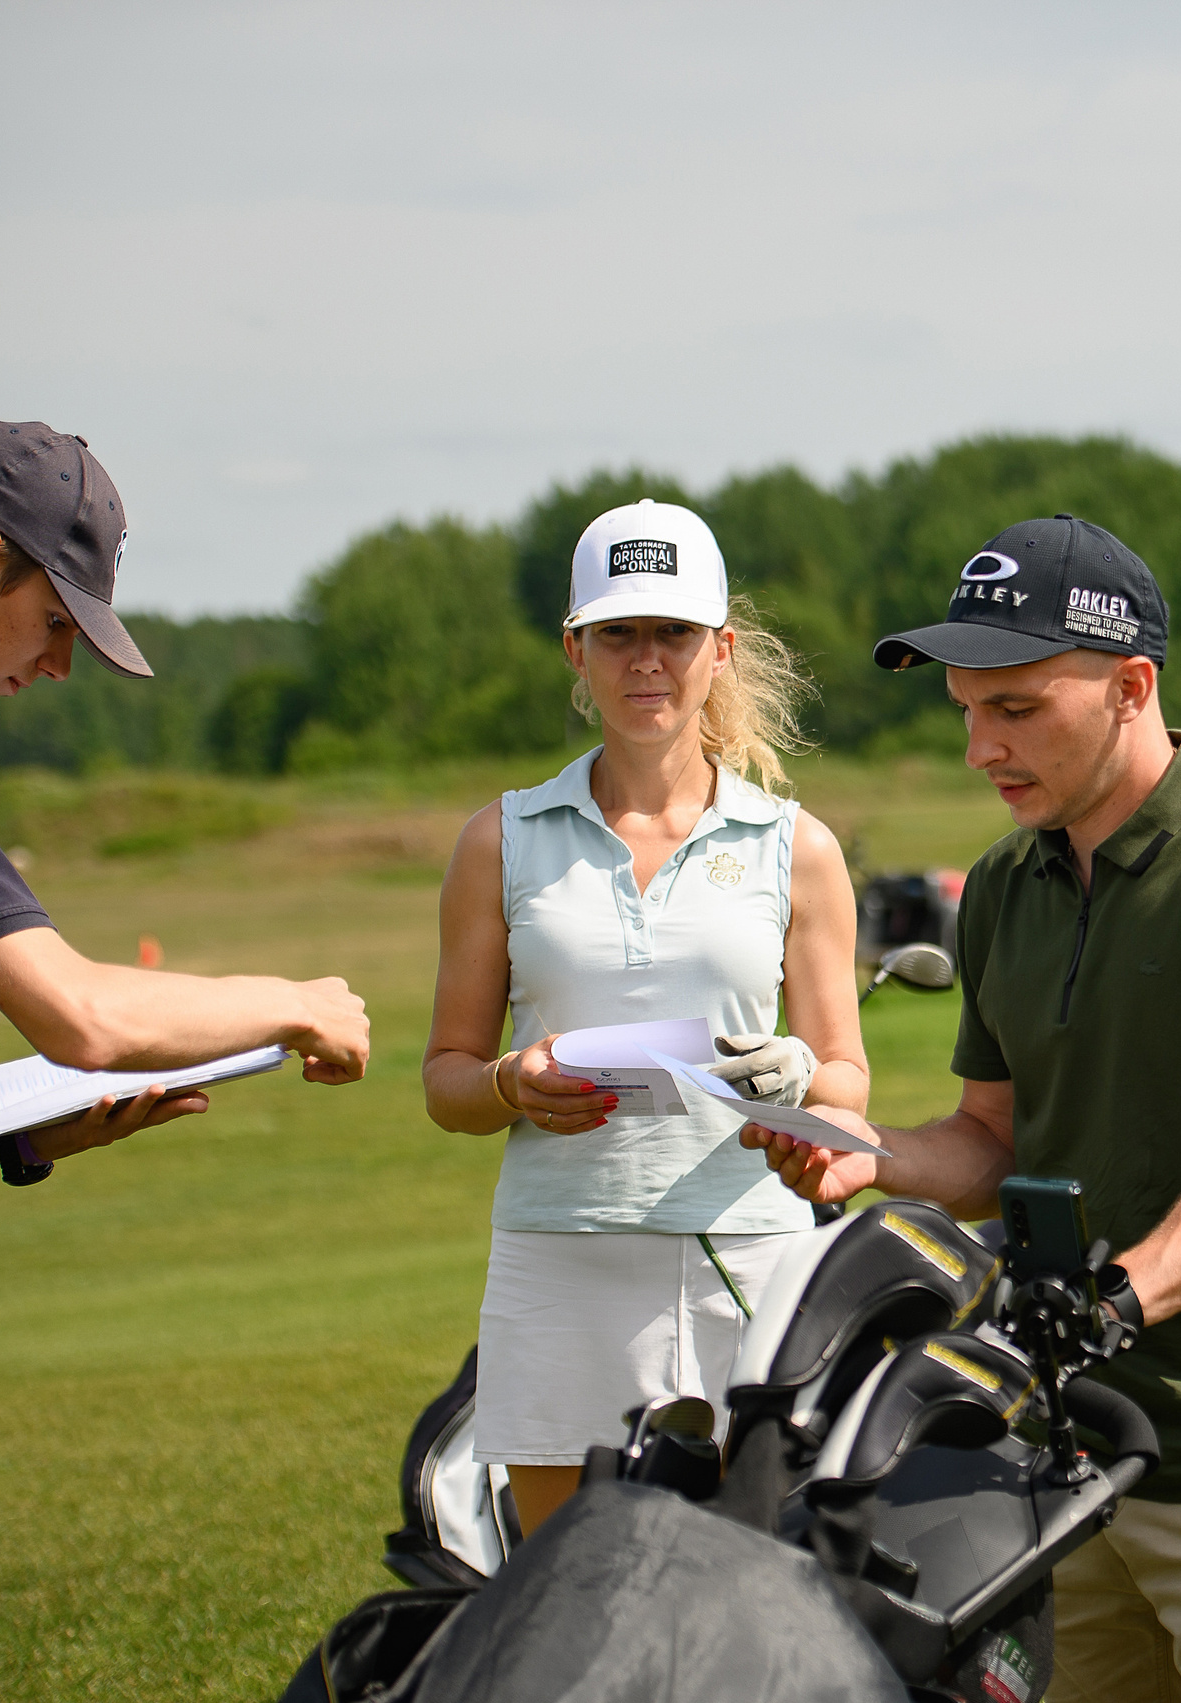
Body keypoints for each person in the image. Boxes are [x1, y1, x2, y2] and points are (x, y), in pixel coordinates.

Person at [745, 514, 1181, 1703]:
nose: (982, 745)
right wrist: (862, 1156)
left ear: (1131, 685)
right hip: (1056, 1448)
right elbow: (992, 1137)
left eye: (1018, 707)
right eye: (967, 710)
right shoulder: (997, 885)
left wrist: (1117, 1301)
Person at [0, 423, 374, 1703]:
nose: (59, 664)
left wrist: (18, 1133)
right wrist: (293, 1002)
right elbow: (79, 1014)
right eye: (54, 620)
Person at [421, 499, 867, 1537]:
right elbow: (445, 1076)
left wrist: (796, 1073)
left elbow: (847, 1078)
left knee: (755, 1584)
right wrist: (505, 1083)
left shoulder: (795, 845)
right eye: (618, 633)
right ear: (574, 648)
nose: (646, 661)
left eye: (672, 633)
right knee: (563, 1582)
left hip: (750, 1246)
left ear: (720, 647)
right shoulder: (500, 837)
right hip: (560, 1246)